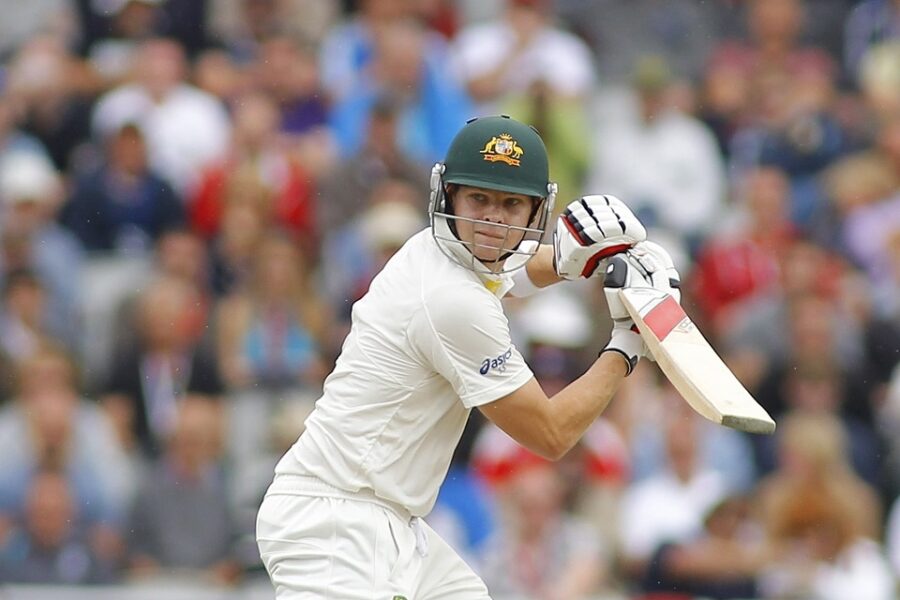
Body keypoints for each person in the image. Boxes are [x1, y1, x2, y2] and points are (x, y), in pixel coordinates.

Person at [255, 115, 680, 599]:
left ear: (534, 211)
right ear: (449, 196)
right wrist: (627, 344)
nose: (492, 220)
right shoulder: (453, 301)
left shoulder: (444, 252)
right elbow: (550, 433)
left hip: (387, 520)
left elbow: (516, 270)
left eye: (510, 204)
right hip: (334, 526)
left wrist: (576, 257)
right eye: (479, 199)